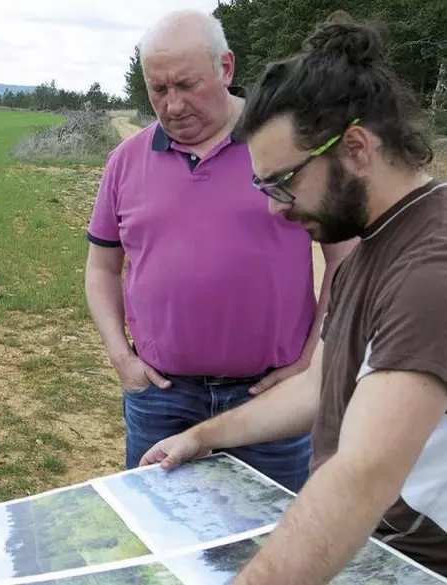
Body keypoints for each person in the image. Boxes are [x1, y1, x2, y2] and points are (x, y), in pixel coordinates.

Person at [141, 11, 447, 582]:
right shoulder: (377, 240)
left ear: (356, 147)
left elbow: (361, 473)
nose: (276, 207)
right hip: (373, 554)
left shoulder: (430, 268)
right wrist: (201, 437)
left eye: (284, 182)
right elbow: (317, 387)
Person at [84, 9, 354, 493]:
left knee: (272, 544)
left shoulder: (286, 149)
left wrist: (313, 358)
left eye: (187, 85)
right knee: (163, 543)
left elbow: (345, 260)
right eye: (158, 89)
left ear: (226, 68)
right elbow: (103, 267)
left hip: (271, 398)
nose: (173, 105)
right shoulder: (125, 161)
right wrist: (121, 356)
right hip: (161, 397)